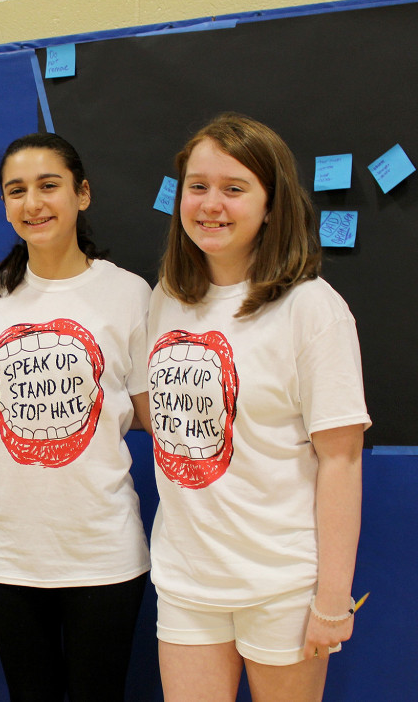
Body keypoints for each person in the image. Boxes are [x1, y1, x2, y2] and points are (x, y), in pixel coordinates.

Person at [147, 112, 369, 701]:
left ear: (271, 204)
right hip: (187, 582)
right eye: (198, 186)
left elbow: (342, 462)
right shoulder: (166, 299)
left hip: (282, 588)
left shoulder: (312, 308)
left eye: (234, 188)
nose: (211, 204)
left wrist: (331, 600)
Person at [0, 133, 151, 701]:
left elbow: (148, 413)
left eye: (49, 186)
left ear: (82, 194)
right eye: (15, 191)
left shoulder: (129, 293)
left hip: (104, 548)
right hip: (12, 550)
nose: (33, 203)